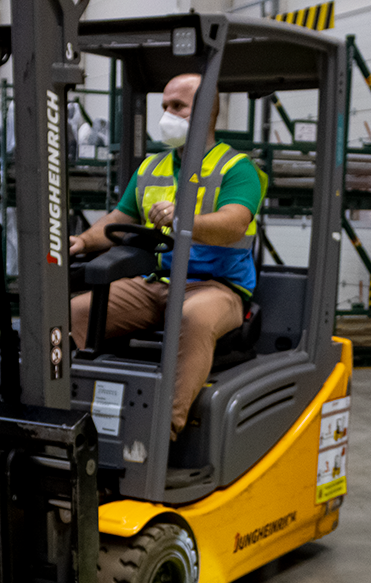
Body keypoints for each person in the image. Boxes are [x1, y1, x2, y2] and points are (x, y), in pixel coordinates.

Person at [68, 73, 267, 437]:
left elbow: (233, 223)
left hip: (217, 288)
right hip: (155, 283)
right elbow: (119, 219)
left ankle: (164, 435)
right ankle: (69, 418)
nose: (167, 115)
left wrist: (181, 219)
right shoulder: (151, 167)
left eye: (177, 106)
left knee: (192, 318)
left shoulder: (237, 169)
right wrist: (83, 241)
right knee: (74, 313)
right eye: (164, 107)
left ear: (206, 111)